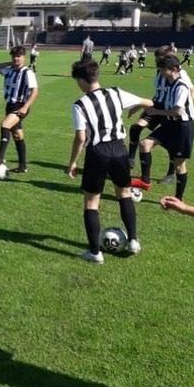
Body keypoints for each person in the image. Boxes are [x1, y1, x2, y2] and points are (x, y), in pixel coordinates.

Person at [67, 59, 153, 263]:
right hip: (119, 149)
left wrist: (72, 162)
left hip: (98, 152)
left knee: (91, 202)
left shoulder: (80, 104)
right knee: (124, 194)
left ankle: (95, 253)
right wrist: (135, 109)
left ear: (81, 80)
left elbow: (81, 137)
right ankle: (133, 241)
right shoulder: (115, 93)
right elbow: (148, 102)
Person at [127, 46, 194, 182]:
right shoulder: (161, 72)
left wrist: (181, 104)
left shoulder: (179, 75)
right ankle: (130, 160)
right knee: (136, 128)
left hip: (169, 111)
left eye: (160, 61)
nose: (158, 65)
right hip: (158, 105)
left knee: (171, 144)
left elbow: (193, 92)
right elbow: (158, 94)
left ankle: (171, 174)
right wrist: (139, 106)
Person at [0, 45, 39, 173]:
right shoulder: (9, 70)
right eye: (14, 56)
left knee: (5, 124)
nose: (16, 59)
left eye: (18, 56)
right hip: (10, 105)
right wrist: (9, 62)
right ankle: (23, 166)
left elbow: (35, 91)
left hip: (20, 106)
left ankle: (0, 158)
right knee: (17, 135)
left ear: (24, 57)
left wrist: (25, 107)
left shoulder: (28, 72)